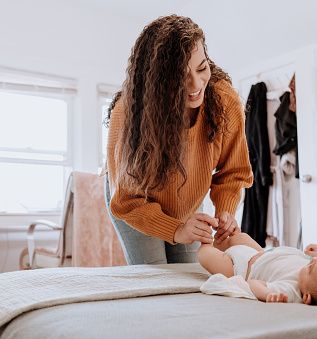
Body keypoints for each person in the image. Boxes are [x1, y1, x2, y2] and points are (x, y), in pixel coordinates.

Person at [103, 14, 253, 265]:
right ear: (158, 81)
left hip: (186, 198)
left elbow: (233, 171)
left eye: (202, 68)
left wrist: (225, 210)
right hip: (135, 199)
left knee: (189, 274)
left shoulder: (224, 102)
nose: (196, 85)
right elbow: (127, 201)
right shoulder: (128, 113)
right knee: (156, 278)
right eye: (180, 77)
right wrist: (176, 230)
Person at [197, 233, 317, 307]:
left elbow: (253, 284)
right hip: (262, 253)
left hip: (242, 267)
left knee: (204, 255)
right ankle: (219, 240)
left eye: (312, 267)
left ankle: (204, 240)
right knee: (238, 237)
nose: (313, 261)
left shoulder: (290, 291)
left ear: (307, 298)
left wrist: (266, 294)